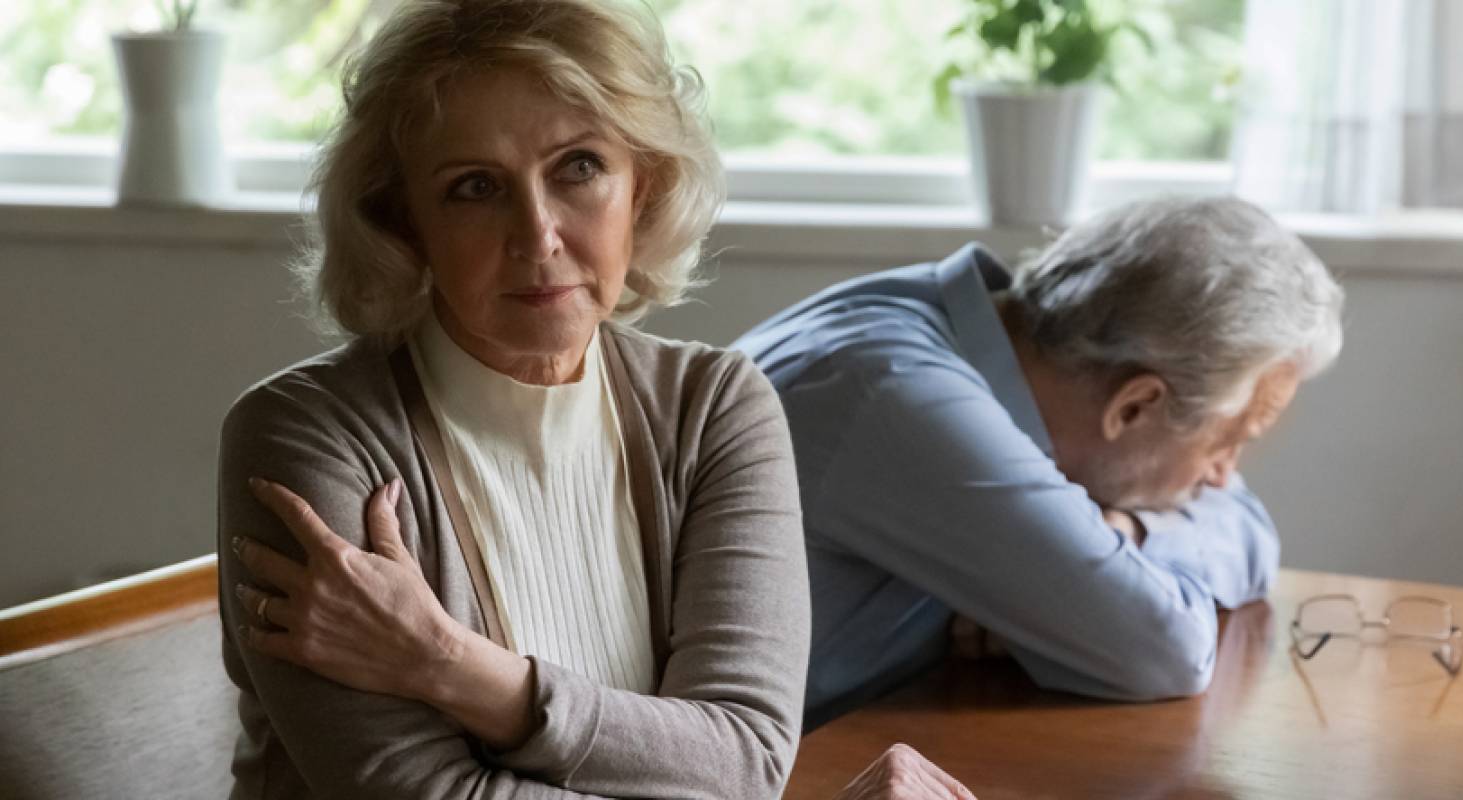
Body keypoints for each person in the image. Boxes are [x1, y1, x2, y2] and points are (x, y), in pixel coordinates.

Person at [215, 1, 825, 796]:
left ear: (644, 184)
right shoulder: (308, 438)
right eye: (475, 187)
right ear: (405, 224)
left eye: (578, 167)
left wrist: (447, 662)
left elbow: (745, 761)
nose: (537, 234)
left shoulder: (714, 409)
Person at [735, 196, 1346, 726]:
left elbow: (1250, 529)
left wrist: (1130, 532)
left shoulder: (975, 334)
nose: (1223, 474)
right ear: (1134, 407)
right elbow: (1163, 652)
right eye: (1227, 442)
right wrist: (1101, 587)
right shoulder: (896, 391)